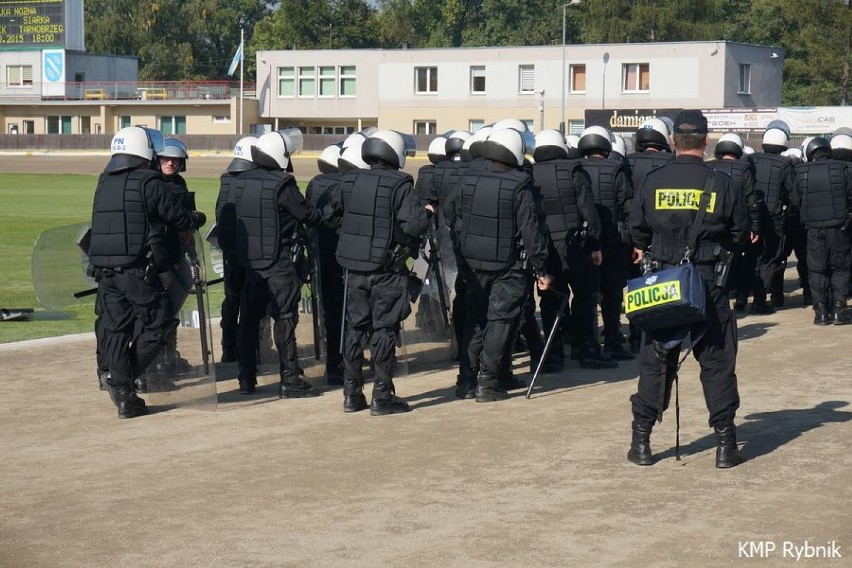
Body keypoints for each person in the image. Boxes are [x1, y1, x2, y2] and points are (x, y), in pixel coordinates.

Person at [627, 109, 748, 468]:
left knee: (656, 362)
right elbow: (740, 233)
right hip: (709, 284)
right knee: (717, 363)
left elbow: (637, 230)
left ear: (675, 141)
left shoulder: (652, 180)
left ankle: (642, 443)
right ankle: (726, 446)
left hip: (664, 282)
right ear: (705, 141)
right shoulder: (723, 183)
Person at [87, 126, 206, 418]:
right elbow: (177, 217)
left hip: (105, 271)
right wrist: (196, 217)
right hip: (137, 269)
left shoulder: (104, 181)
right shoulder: (150, 182)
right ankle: (122, 379)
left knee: (115, 330)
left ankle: (126, 398)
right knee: (159, 323)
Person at [326, 130, 432, 415]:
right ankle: (382, 395)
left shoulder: (349, 179)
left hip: (354, 268)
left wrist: (354, 234)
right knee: (384, 329)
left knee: (355, 328)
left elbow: (329, 213)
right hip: (386, 270)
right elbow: (414, 225)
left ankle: (351, 393)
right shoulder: (400, 184)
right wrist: (427, 213)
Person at [445, 127, 552, 402]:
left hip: (472, 265)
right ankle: (488, 382)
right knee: (500, 321)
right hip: (508, 266)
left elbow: (450, 212)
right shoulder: (519, 185)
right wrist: (541, 268)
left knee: (476, 321)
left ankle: (466, 381)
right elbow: (531, 230)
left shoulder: (468, 179)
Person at [232, 130, 323, 398]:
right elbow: (306, 213)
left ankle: (246, 378)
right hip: (280, 262)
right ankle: (290, 378)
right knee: (284, 318)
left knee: (248, 320)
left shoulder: (241, 181)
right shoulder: (283, 184)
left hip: (252, 263)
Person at [532, 129, 605, 371]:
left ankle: (553, 356)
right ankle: (586, 350)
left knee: (551, 301)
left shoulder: (527, 173)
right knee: (584, 298)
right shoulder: (573, 170)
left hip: (544, 247)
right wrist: (596, 244)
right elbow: (588, 209)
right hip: (574, 245)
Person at [578, 126, 633, 362]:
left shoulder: (576, 169)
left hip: (586, 241)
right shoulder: (617, 169)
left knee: (585, 294)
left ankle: (586, 343)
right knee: (612, 295)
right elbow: (627, 205)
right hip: (614, 241)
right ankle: (612, 340)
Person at [791, 137, 852, 325]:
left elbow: (794, 201)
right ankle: (839, 310)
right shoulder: (843, 169)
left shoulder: (800, 172)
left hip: (813, 230)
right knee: (840, 269)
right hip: (839, 229)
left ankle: (821, 313)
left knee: (817, 270)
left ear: (809, 153)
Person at [214, 136, 258, 365]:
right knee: (250, 302)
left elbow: (219, 215)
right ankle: (250, 350)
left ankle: (228, 347)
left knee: (232, 300)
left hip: (230, 250)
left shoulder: (226, 180)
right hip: (249, 251)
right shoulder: (252, 181)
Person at [711, 133, 766, 312]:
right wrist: (755, 227)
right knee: (741, 264)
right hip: (737, 225)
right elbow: (753, 201)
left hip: (713, 224)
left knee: (714, 264)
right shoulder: (744, 169)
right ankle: (741, 298)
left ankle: (718, 300)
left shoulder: (708, 167)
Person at [305, 144, 346, 385]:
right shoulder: (348, 183)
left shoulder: (314, 183)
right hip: (344, 253)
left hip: (321, 251)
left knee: (329, 309)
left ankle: (333, 362)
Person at [751, 121, 804, 308]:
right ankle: (764, 298)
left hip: (752, 218)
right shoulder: (785, 164)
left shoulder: (750, 160)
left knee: (755, 258)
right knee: (774, 258)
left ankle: (755, 297)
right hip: (774, 220)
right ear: (784, 142)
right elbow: (795, 196)